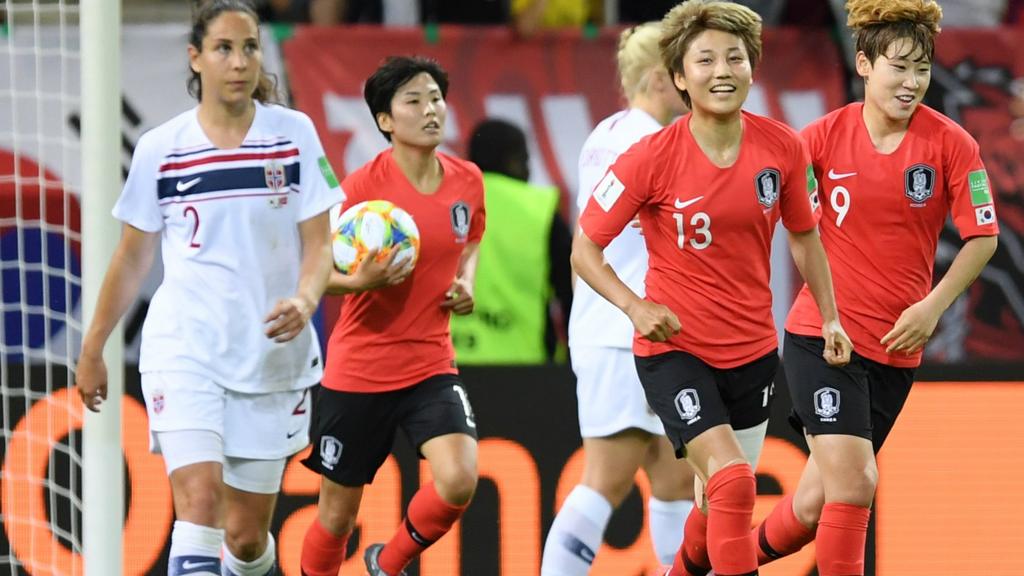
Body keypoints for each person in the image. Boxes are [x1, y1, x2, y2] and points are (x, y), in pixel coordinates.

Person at [570, 2, 855, 575]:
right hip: (675, 351)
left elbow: (804, 236)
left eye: (735, 57)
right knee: (730, 479)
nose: (722, 70)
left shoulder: (783, 148)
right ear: (679, 77)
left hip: (752, 353)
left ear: (753, 67)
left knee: (712, 505)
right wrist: (635, 306)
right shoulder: (648, 156)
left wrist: (829, 316)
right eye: (705, 59)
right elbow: (583, 249)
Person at [75, 1, 338, 575]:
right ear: (195, 57)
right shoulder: (161, 148)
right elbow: (132, 256)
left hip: (271, 355)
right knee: (198, 505)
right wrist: (93, 346)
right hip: (185, 349)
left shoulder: (293, 136)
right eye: (223, 48)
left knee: (245, 539)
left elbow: (321, 242)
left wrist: (306, 299)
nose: (239, 62)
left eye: (249, 47)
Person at [751, 2, 999, 575]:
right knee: (858, 481)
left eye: (922, 70)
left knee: (816, 502)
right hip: (824, 337)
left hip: (897, 348)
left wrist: (932, 308)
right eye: (898, 67)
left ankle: (719, 562)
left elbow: (983, 237)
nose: (911, 83)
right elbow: (786, 225)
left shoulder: (953, 144)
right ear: (864, 63)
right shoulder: (818, 138)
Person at [298, 56, 485, 576]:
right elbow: (313, 271)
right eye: (414, 101)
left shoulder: (467, 181)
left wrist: (466, 281)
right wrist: (357, 282)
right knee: (336, 518)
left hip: (430, 364)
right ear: (385, 120)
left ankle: (388, 561)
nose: (431, 111)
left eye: (436, 98)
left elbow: (470, 240)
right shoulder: (359, 191)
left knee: (459, 479)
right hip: (360, 371)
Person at [540, 22, 697, 576]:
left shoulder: (607, 131)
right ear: (661, 78)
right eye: (684, 68)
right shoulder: (647, 141)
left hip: (626, 328)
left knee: (674, 477)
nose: (693, 78)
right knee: (606, 477)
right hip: (624, 330)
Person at [450, 118, 572, 364]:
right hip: (525, 370)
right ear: (513, 160)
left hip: (443, 366)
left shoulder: (442, 203)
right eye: (526, 161)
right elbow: (571, 295)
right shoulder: (540, 212)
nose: (528, 171)